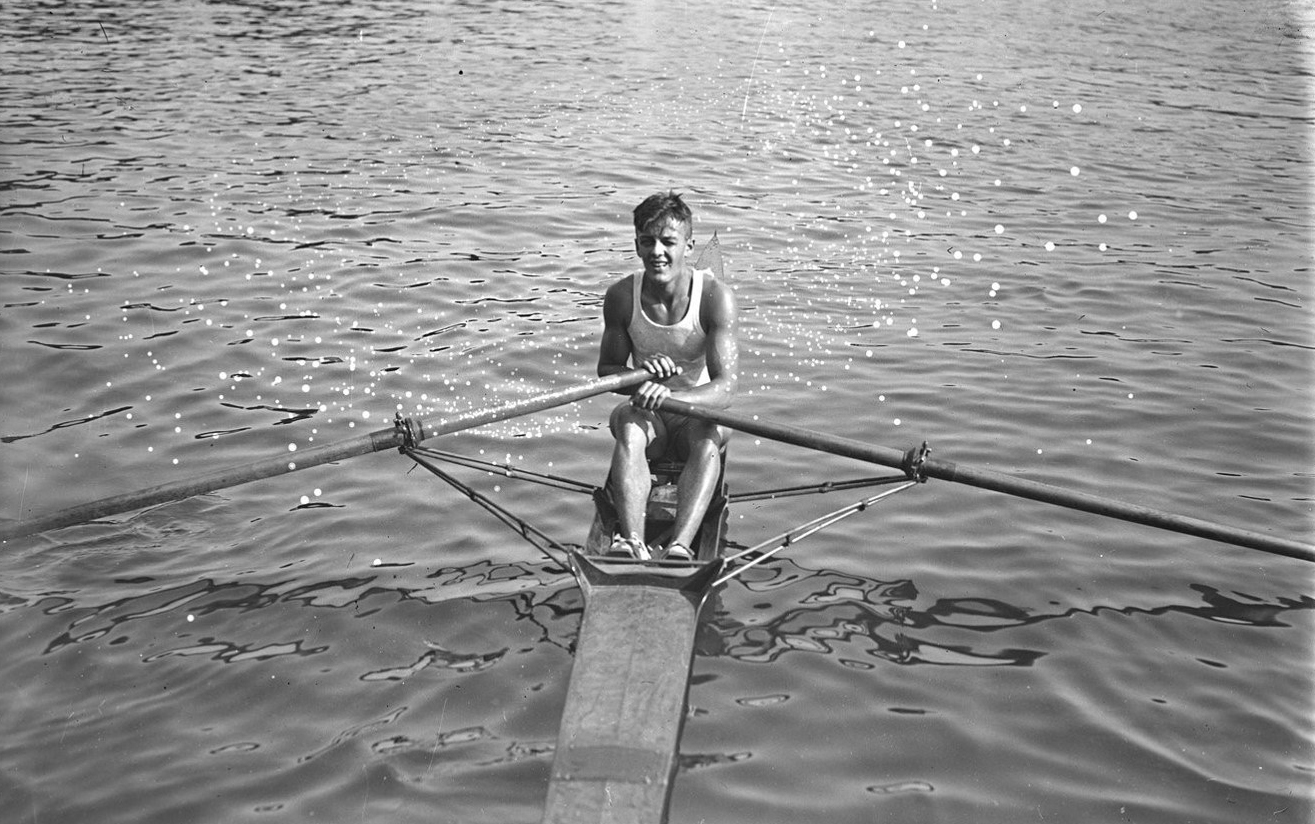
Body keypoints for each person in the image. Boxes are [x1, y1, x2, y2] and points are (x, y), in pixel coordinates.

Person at [596, 192, 739, 560]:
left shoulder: (714, 297)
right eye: (648, 242)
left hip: (699, 415)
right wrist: (640, 379)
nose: (657, 252)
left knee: (710, 436)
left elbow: (726, 388)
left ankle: (679, 546)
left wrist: (674, 398)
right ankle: (631, 543)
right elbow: (607, 369)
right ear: (637, 246)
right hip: (649, 421)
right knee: (628, 423)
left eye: (668, 242)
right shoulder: (621, 297)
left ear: (688, 246)